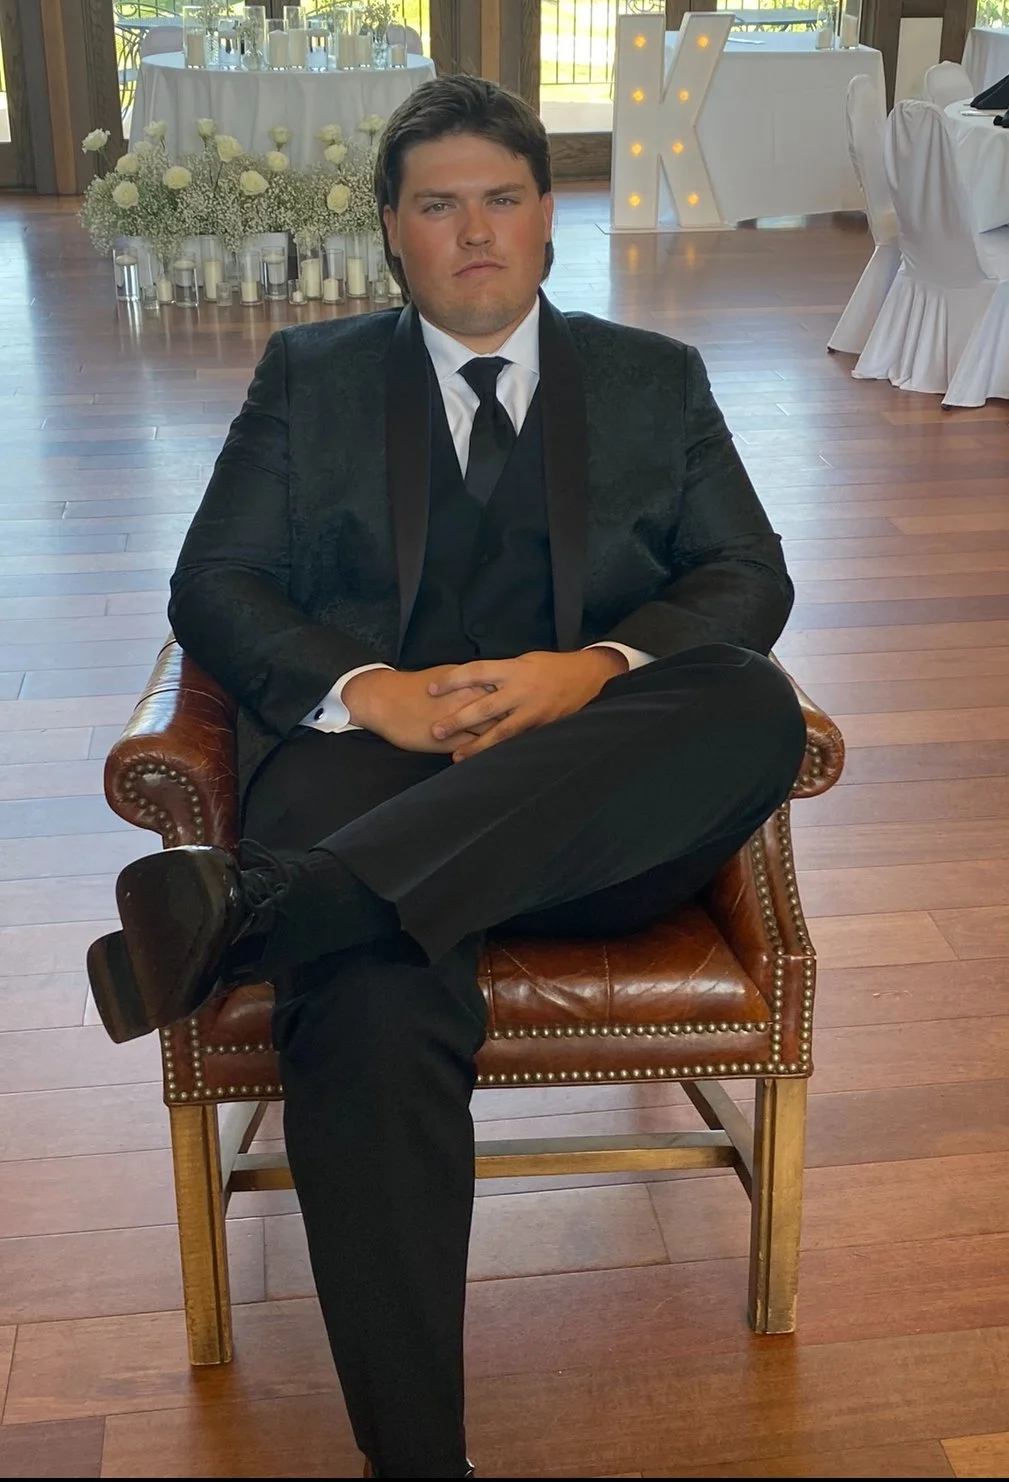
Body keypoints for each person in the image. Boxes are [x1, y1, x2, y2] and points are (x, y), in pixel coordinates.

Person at [87, 74, 806, 1480]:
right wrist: (373, 690)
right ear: (391, 229)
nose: (475, 231)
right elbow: (214, 581)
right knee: (367, 1002)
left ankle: (277, 907)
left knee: (750, 703)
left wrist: (589, 669)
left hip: (595, 811)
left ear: (546, 220)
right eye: (438, 204)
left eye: (501, 198)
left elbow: (750, 576)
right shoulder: (310, 375)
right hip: (368, 781)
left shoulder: (656, 378)